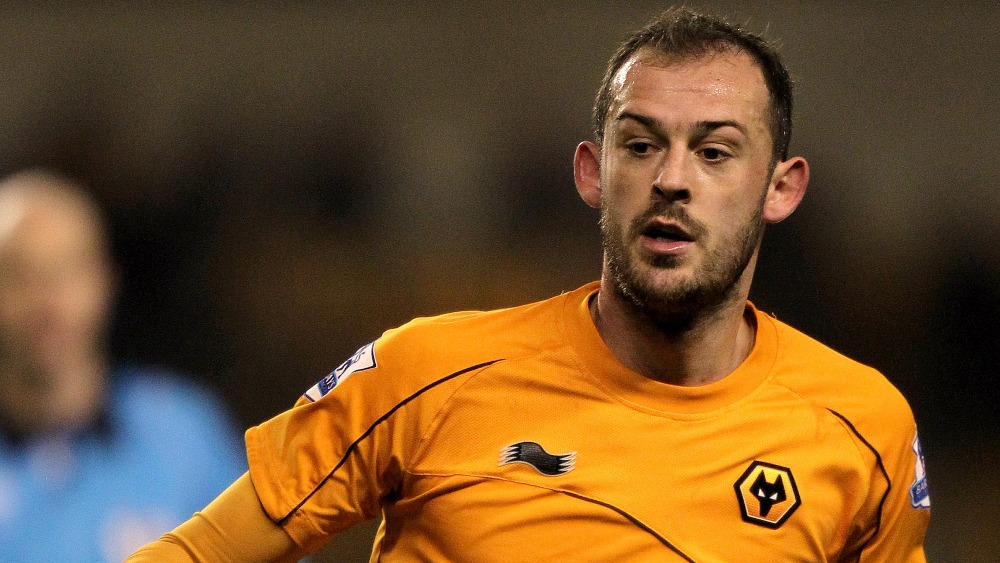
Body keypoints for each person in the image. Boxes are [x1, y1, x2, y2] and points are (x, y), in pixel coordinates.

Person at [129, 7, 930, 561]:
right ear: (592, 173)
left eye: (714, 151)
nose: (672, 179)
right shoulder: (425, 374)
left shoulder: (862, 427)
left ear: (781, 188)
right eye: (640, 145)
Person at [0, 169, 247, 562]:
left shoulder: (184, 432)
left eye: (68, 271)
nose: (49, 303)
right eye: (21, 276)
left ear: (105, 282)